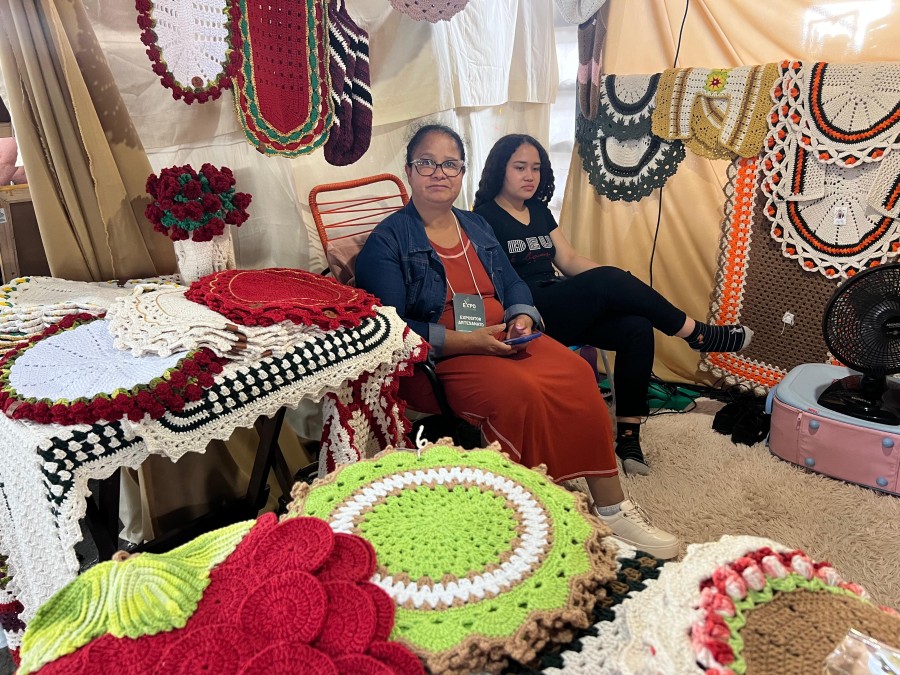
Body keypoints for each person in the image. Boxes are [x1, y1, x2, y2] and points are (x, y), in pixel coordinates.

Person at [356, 123, 680, 558]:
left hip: (506, 337)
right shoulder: (388, 241)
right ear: (409, 170)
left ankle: (612, 509)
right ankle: (523, 509)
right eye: (426, 163)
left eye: (450, 164)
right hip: (443, 354)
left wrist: (522, 317)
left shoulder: (475, 225)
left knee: (577, 374)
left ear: (462, 172)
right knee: (521, 392)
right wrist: (469, 342)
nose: (438, 173)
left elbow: (512, 283)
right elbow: (391, 329)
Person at [473, 134, 752, 475]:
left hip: (562, 301)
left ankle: (629, 436)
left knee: (636, 327)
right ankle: (698, 334)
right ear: (500, 169)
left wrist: (618, 283)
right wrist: (609, 281)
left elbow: (570, 260)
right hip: (529, 312)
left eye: (536, 168)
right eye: (520, 167)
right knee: (609, 280)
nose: (530, 176)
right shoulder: (483, 218)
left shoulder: (539, 211)